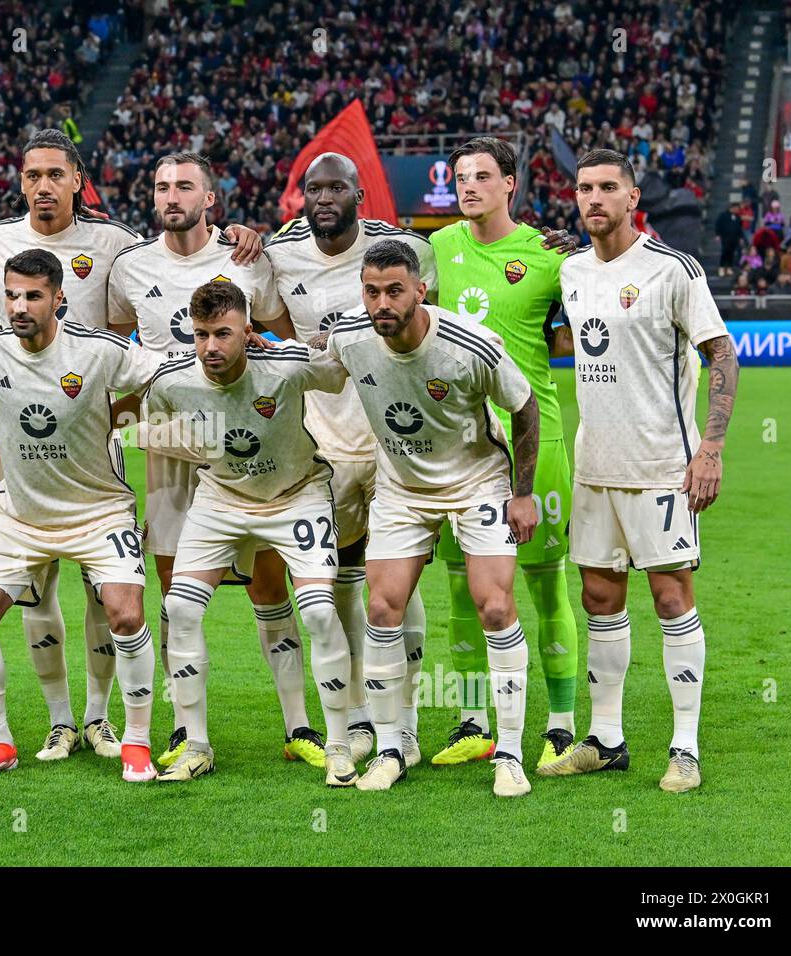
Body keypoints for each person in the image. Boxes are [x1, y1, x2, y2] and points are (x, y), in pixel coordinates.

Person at [0, 129, 264, 763]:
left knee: (104, 592)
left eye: (55, 174)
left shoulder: (113, 245)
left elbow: (174, 264)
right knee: (33, 588)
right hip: (17, 432)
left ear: (77, 180)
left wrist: (237, 235)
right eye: (31, 175)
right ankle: (58, 720)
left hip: (95, 429)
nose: (42, 186)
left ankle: (99, 718)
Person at [107, 152, 335, 770]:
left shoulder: (244, 259)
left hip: (247, 441)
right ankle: (187, 732)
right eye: (161, 186)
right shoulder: (130, 266)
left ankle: (299, 727)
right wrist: (123, 434)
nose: (171, 195)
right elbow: (117, 355)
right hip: (170, 442)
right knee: (177, 593)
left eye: (185, 185)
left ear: (211, 197)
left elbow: (281, 340)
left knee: (268, 584)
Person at [313, 238, 542, 797]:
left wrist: (523, 493)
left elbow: (525, 406)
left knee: (494, 604)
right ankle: (394, 743)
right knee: (383, 605)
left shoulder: (470, 345)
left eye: (395, 291)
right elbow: (316, 364)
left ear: (420, 290)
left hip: (477, 481)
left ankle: (509, 751)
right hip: (402, 487)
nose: (382, 303)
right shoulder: (351, 337)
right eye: (372, 292)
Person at [0, 249, 164, 782]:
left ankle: (137, 742)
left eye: (33, 295)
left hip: (99, 510)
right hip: (19, 516)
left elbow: (159, 374)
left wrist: (123, 414)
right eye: (10, 294)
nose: (19, 305)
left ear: (59, 298)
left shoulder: (98, 350)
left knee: (124, 614)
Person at [543, 149, 739, 793]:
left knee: (670, 598)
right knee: (600, 598)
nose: (594, 198)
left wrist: (709, 449)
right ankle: (606, 739)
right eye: (584, 188)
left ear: (633, 198)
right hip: (595, 467)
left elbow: (722, 353)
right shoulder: (569, 269)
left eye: (608, 188)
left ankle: (685, 747)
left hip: (662, 469)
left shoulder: (671, 269)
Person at [143, 281, 355, 787]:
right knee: (180, 608)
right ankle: (195, 744)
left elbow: (338, 369)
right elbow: (147, 423)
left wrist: (287, 347)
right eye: (200, 335)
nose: (210, 347)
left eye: (222, 333)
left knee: (321, 612)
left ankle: (341, 746)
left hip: (297, 493)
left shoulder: (283, 367)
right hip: (221, 496)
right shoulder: (172, 379)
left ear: (247, 331)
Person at [264, 151, 436, 767]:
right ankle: (360, 715)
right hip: (323, 448)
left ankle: (407, 721)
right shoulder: (278, 256)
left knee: (398, 581)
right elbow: (280, 337)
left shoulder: (400, 251)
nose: (325, 196)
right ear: (302, 196)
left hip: (393, 445)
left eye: (338, 186)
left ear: (360, 194)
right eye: (315, 188)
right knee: (334, 583)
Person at [427, 137, 582, 770]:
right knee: (464, 589)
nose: (468, 187)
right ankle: (472, 721)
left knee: (547, 586)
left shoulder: (548, 258)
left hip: (533, 444)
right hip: (458, 448)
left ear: (510, 183)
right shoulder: (433, 250)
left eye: (482, 177)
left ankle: (564, 726)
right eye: (461, 177)